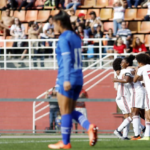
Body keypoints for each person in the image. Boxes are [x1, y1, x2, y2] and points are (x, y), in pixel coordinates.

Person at [48, 10, 98, 149]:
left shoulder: (64, 38)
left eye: (54, 23)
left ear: (59, 22)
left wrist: (66, 79)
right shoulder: (76, 37)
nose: (53, 26)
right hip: (79, 77)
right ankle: (89, 127)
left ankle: (65, 142)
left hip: (66, 76)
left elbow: (66, 58)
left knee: (64, 111)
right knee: (69, 110)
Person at [112, 58, 132, 140]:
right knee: (132, 115)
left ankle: (124, 135)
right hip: (123, 96)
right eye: (121, 62)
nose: (121, 64)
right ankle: (118, 130)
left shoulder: (120, 72)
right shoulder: (124, 71)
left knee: (127, 116)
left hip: (122, 96)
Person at [134, 53, 150, 140]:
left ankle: (147, 135)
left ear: (140, 62)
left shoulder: (141, 68)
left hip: (149, 92)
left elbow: (135, 79)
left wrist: (136, 71)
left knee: (148, 114)